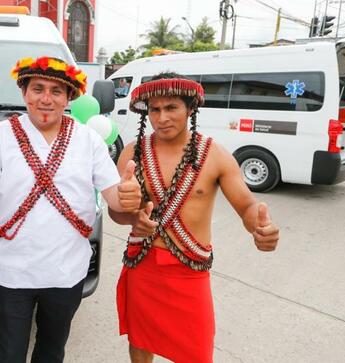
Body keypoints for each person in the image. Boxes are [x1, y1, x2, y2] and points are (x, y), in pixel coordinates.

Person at [0, 56, 142, 363]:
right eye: (38, 89)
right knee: (6, 356)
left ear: (69, 96)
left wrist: (128, 195)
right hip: (12, 273)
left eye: (56, 91)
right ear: (23, 93)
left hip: (66, 271)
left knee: (51, 353)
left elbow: (115, 200)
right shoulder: (1, 136)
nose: (46, 98)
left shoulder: (88, 140)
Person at [109, 72, 280, 363]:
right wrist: (129, 217)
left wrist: (260, 227)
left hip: (190, 272)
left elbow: (246, 205)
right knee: (140, 342)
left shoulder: (215, 155)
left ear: (190, 109)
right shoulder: (132, 153)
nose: (162, 117)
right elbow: (116, 211)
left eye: (171, 107)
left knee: (197, 352)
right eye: (154, 109)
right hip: (143, 266)